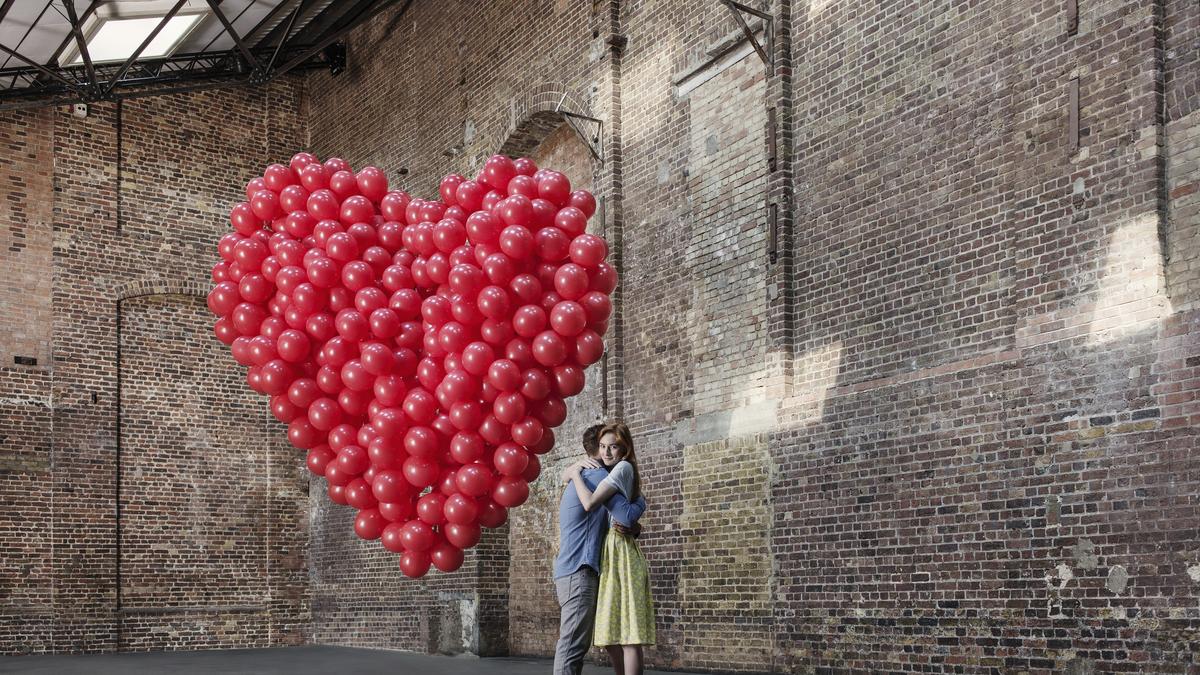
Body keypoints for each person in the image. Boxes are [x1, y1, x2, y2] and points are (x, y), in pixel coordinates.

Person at [553, 424, 646, 675]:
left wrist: (570, 472)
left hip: (575, 570)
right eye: (605, 447)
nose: (608, 452)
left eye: (612, 446)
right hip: (579, 572)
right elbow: (626, 514)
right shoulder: (597, 478)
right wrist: (640, 502)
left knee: (580, 643)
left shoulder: (583, 475)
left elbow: (616, 523)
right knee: (572, 646)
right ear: (599, 449)